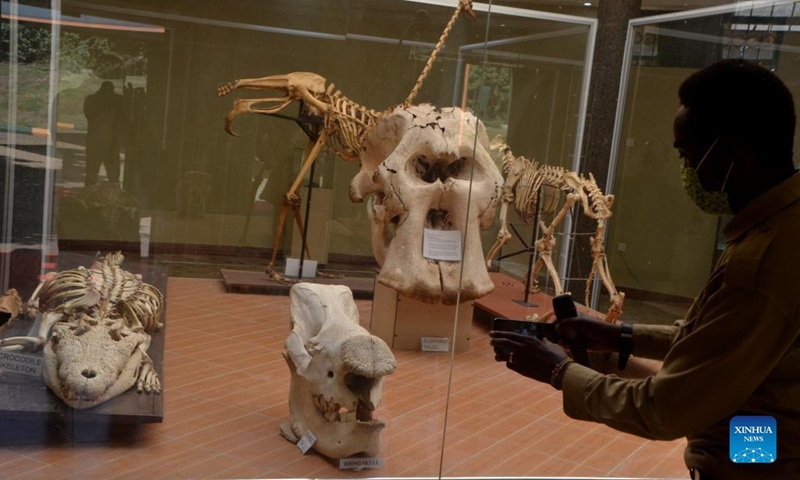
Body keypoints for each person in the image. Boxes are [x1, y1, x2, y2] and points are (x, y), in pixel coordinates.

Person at [490, 59, 800, 480]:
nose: (686, 172)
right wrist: (621, 336)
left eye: (687, 155)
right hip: (761, 442)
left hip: (756, 465)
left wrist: (556, 370)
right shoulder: (783, 224)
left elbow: (663, 409)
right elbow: (730, 344)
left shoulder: (763, 262)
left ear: (729, 151)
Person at [83, 81, 126, 186]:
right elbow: (90, 115)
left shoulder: (93, 100)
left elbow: (122, 118)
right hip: (103, 142)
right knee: (94, 176)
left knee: (111, 177)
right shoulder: (94, 100)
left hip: (106, 143)